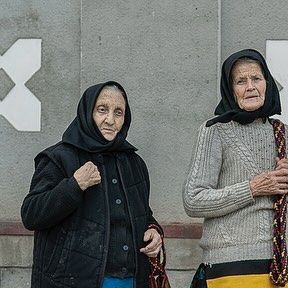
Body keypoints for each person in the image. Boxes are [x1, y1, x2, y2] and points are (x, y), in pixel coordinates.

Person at [21, 81, 163, 288]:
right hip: (72, 281)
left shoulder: (134, 163)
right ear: (88, 112)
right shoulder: (59, 157)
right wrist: (75, 185)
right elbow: (31, 214)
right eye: (102, 110)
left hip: (130, 280)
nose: (110, 120)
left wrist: (154, 230)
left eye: (118, 113)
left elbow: (142, 213)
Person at [183, 49, 288, 288]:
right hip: (231, 265)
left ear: (267, 84)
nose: (250, 86)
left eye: (256, 79)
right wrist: (253, 187)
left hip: (281, 266)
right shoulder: (215, 131)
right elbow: (193, 199)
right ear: (231, 90)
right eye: (241, 81)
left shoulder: (283, 134)